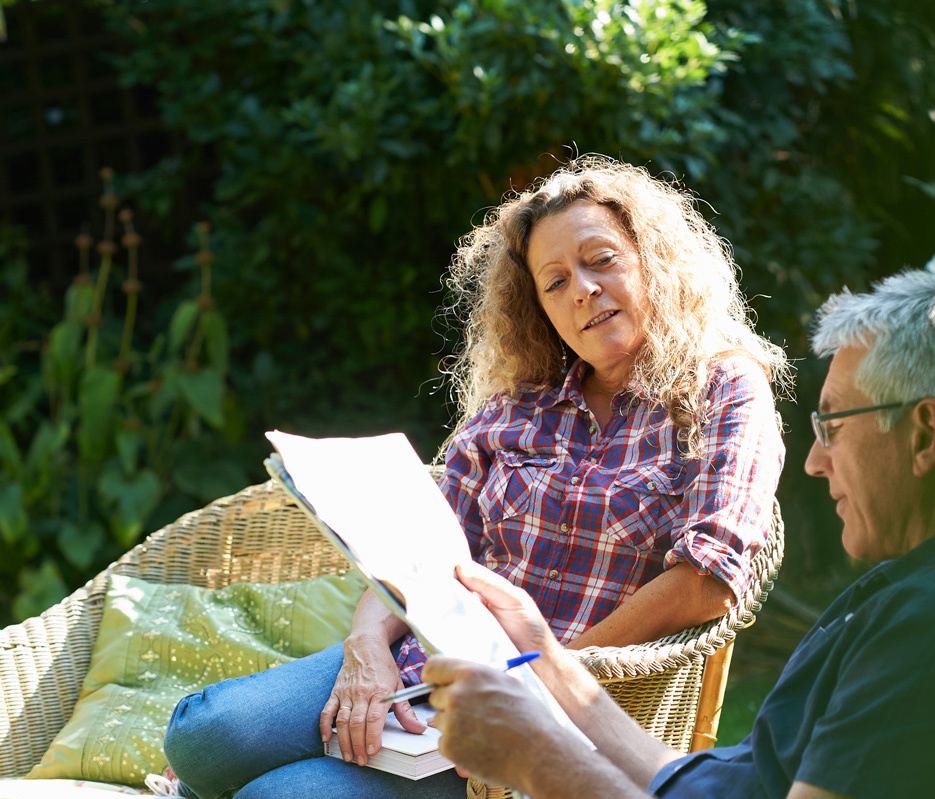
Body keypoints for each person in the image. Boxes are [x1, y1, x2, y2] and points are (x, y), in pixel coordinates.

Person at [159, 156, 790, 799]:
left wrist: (548, 676)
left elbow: (707, 580)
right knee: (203, 735)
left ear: (653, 260)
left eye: (601, 260)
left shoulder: (723, 389)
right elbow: (414, 546)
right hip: (424, 665)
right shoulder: (519, 404)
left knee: (281, 796)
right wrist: (366, 645)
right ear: (539, 307)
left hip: (559, 700)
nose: (582, 289)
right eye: (555, 282)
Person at [421, 269, 935, 799]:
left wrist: (536, 759)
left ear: (925, 434)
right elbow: (710, 779)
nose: (816, 461)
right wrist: (546, 658)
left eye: (833, 426)